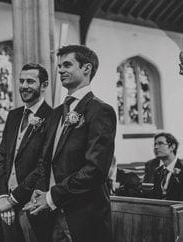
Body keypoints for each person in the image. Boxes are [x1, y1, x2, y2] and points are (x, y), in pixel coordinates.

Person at [16, 45, 116, 242]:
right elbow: (46, 160)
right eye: (59, 66)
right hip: (51, 215)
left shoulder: (100, 110)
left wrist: (52, 195)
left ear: (86, 68)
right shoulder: (56, 113)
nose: (60, 70)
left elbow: (95, 170)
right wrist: (43, 189)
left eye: (67, 65)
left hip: (83, 215)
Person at [0, 63, 53, 242]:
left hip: (30, 203)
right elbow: (2, 157)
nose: (24, 86)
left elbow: (43, 165)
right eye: (21, 81)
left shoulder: (52, 117)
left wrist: (12, 200)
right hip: (7, 202)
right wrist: (3, 196)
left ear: (44, 85)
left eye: (30, 81)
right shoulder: (14, 115)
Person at [142, 133, 183, 201]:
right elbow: (156, 197)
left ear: (172, 147)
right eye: (155, 144)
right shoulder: (158, 171)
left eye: (160, 143)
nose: (156, 147)